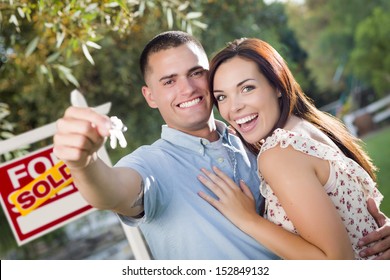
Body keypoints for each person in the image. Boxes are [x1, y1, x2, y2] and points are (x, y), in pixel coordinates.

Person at [53, 31, 390, 260]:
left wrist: (369, 229)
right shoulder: (151, 163)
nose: (187, 89)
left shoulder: (254, 139)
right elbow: (111, 190)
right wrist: (84, 164)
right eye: (169, 81)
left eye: (196, 73)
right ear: (150, 96)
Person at [197, 37, 387, 259]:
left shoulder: (280, 152)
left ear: (277, 85)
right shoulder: (309, 129)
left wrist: (248, 219)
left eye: (247, 88)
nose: (234, 107)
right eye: (222, 97)